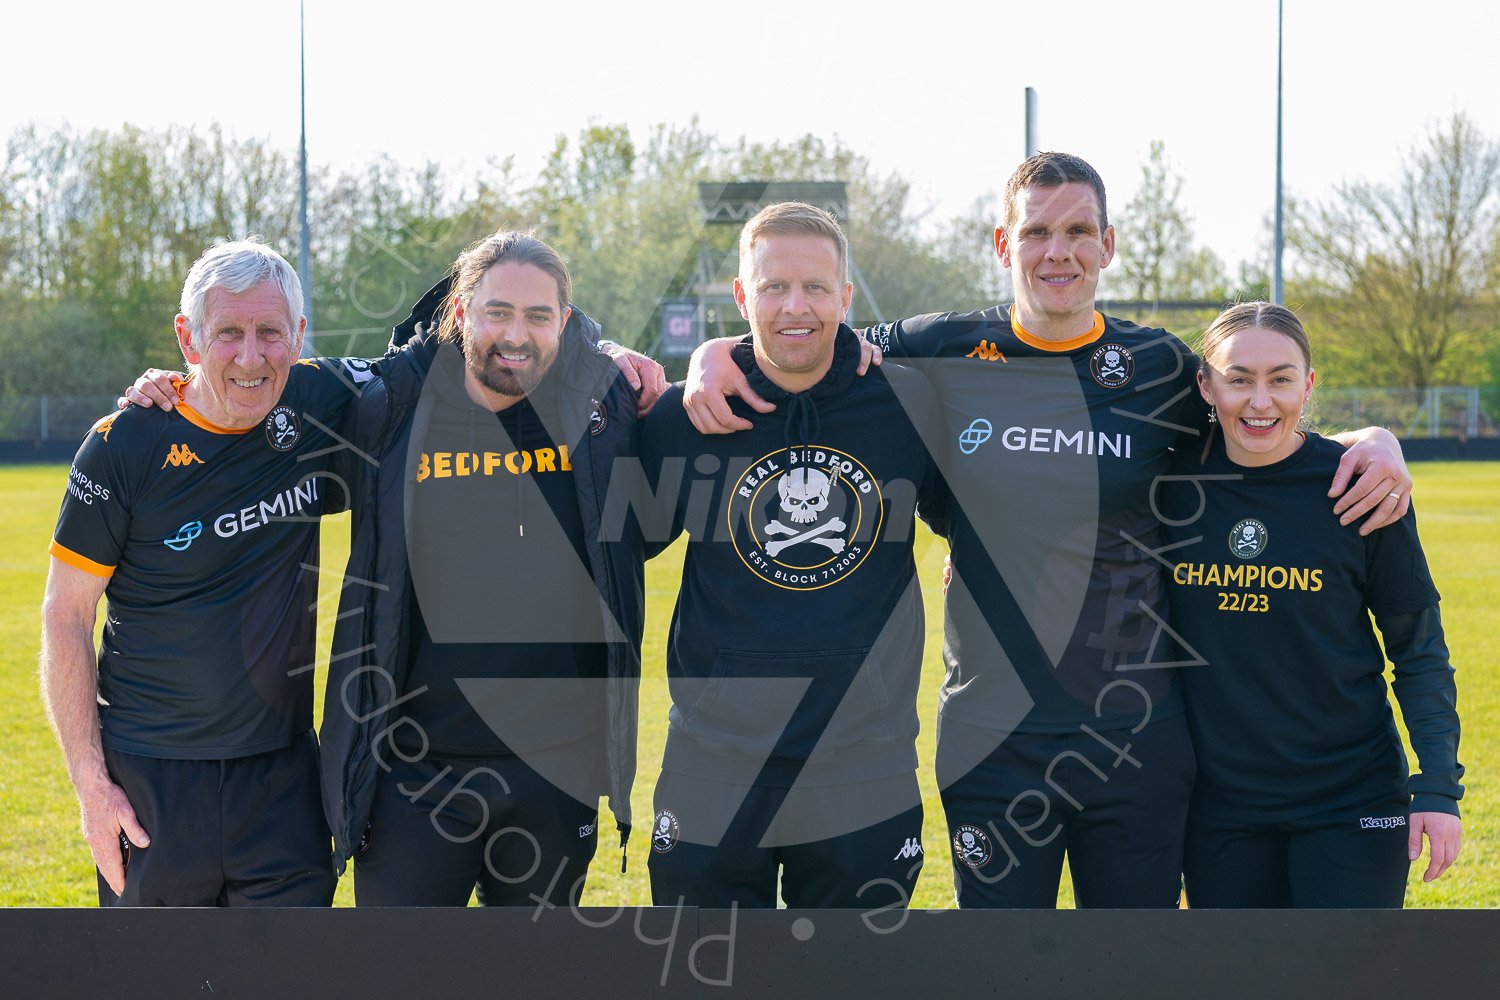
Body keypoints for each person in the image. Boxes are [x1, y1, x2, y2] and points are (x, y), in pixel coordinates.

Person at [682, 152, 1415, 908]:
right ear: (1004, 244)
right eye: (1036, 232)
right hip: (991, 740)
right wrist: (711, 354)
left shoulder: (1159, 367)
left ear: (1108, 244)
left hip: (1133, 739)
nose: (1057, 251)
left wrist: (1371, 439)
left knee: (1132, 970)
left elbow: (1259, 408)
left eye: (1077, 231)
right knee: (1004, 970)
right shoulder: (938, 348)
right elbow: (802, 334)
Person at [316, 231, 648, 907]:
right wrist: (168, 388)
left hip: (554, 778)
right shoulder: (390, 406)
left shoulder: (604, 415)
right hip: (413, 776)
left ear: (566, 322)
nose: (516, 335)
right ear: (462, 311)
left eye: (538, 316)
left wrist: (704, 358)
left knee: (536, 982)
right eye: (498, 312)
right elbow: (250, 393)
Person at [40, 240, 366, 906]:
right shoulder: (123, 444)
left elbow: (452, 358)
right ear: (188, 336)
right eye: (229, 334)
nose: (252, 358)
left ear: (299, 336)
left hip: (283, 784)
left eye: (271, 333)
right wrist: (92, 788)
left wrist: (594, 354)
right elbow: (65, 616)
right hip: (151, 787)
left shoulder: (319, 406)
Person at [639, 202, 946, 908]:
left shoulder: (908, 406)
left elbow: (978, 519)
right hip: (713, 764)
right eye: (773, 287)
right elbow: (611, 552)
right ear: (742, 297)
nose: (794, 306)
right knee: (702, 973)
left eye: (814, 288)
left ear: (846, 297)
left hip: (863, 763)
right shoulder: (686, 415)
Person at [1158, 301, 1462, 907]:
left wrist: (1437, 788)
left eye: (1281, 378)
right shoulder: (1165, 489)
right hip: (1221, 810)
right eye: (1238, 379)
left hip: (1352, 801)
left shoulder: (1362, 485)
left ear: (1309, 384)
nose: (1260, 401)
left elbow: (1418, 649)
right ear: (1205, 386)